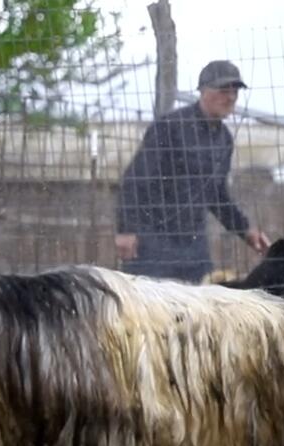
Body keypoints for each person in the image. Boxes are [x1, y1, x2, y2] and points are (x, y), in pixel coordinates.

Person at [115, 60, 271, 283]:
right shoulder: (170, 127)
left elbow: (217, 196)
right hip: (153, 243)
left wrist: (246, 230)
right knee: (152, 310)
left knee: (197, 309)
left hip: (194, 247)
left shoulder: (224, 139)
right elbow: (135, 179)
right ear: (203, 91)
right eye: (224, 90)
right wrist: (126, 230)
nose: (231, 97)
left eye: (235, 91)